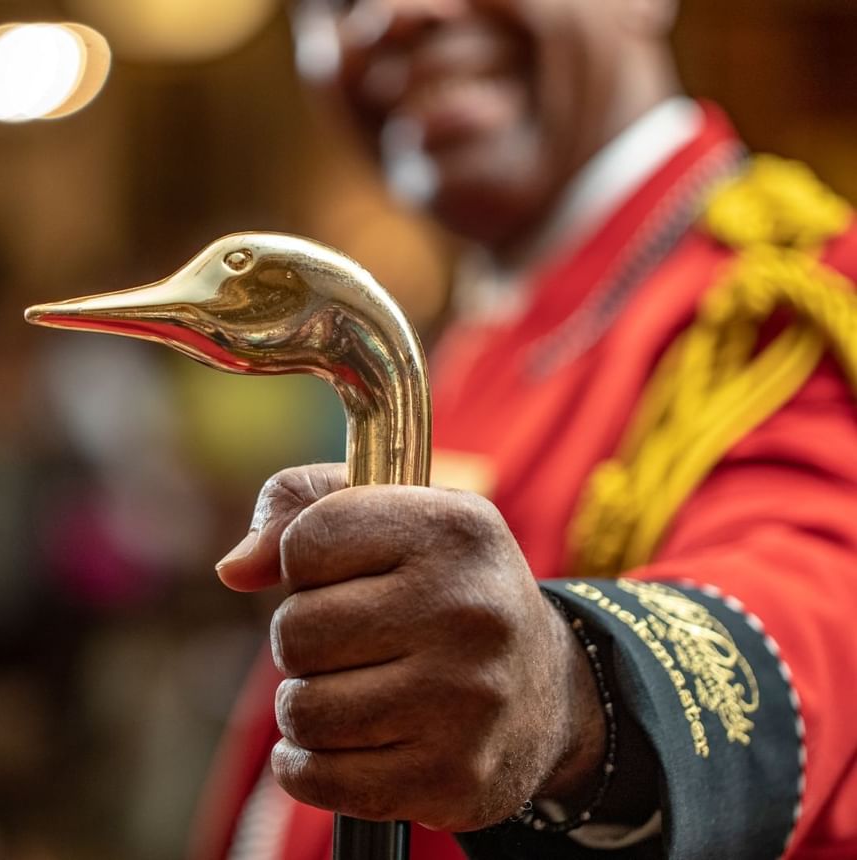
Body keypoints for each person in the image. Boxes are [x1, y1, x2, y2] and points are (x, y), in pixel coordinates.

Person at [190, 0, 857, 858]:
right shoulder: (479, 323)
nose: (397, 14)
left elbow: (817, 606)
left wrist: (572, 697)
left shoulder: (790, 296)